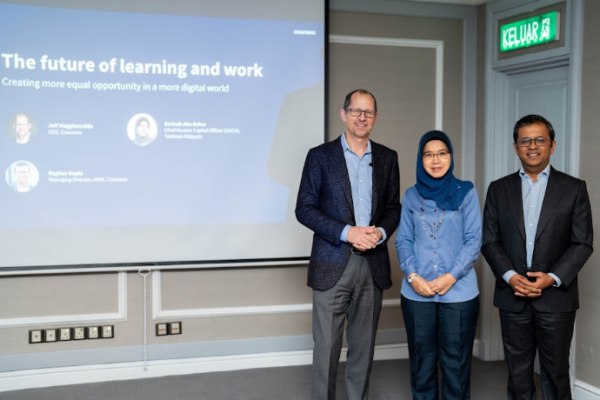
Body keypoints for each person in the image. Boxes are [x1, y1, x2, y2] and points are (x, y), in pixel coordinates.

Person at [296, 89, 401, 400]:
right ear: (344, 114)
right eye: (356, 111)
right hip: (332, 262)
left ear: (375, 117)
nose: (362, 117)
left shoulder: (388, 158)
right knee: (327, 347)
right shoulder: (319, 156)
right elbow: (304, 208)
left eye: (368, 112)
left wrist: (379, 232)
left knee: (363, 348)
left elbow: (393, 208)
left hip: (373, 265)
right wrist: (347, 232)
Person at [482, 114, 593, 400]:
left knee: (556, 374)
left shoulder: (574, 188)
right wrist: (510, 277)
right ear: (516, 147)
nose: (533, 146)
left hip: (556, 298)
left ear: (552, 145)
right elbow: (490, 240)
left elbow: (582, 243)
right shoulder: (498, 189)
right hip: (512, 296)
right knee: (518, 375)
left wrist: (552, 278)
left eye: (540, 140)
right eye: (525, 141)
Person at [395, 130, 481, 400]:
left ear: (450, 157)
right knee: (422, 366)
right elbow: (404, 240)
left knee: (456, 369)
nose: (436, 160)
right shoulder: (411, 196)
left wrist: (451, 276)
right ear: (421, 159)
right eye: (428, 154)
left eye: (442, 153)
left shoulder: (467, 192)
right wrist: (412, 276)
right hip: (416, 293)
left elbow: (474, 240)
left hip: (459, 294)